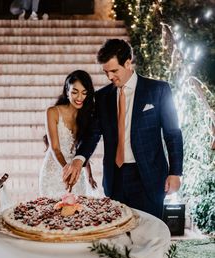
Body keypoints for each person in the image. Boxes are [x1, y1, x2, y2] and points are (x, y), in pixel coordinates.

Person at [63, 39, 183, 219]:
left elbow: (172, 134)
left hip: (148, 178)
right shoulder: (102, 97)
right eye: (106, 72)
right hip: (115, 178)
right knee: (118, 237)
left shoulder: (158, 90)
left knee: (149, 236)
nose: (110, 77)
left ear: (128, 63)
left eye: (114, 71)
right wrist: (79, 159)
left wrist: (175, 173)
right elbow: (93, 133)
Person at [39, 70, 97, 199]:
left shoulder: (88, 116)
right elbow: (55, 148)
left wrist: (89, 175)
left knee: (77, 213)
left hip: (77, 173)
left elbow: (83, 148)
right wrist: (66, 169)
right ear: (67, 92)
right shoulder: (52, 112)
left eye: (84, 93)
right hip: (54, 171)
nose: (80, 97)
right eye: (75, 92)